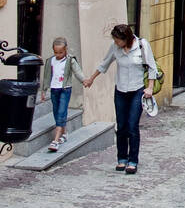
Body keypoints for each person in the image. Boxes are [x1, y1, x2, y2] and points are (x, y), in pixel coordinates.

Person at [83, 25, 158, 174]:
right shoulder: (115, 48)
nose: (116, 42)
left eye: (118, 40)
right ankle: (122, 158)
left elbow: (151, 67)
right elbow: (104, 63)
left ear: (126, 39)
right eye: (115, 40)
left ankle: (133, 160)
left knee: (132, 125)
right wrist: (91, 78)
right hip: (121, 90)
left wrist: (150, 87)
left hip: (137, 90)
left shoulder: (142, 45)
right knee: (122, 125)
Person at [41, 37, 83, 152]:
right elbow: (46, 76)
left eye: (61, 52)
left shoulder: (70, 60)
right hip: (54, 89)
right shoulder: (50, 61)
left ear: (65, 50)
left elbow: (77, 71)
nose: (58, 54)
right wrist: (44, 90)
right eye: (56, 52)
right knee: (56, 111)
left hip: (65, 89)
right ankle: (64, 133)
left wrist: (84, 80)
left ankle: (56, 140)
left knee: (61, 111)